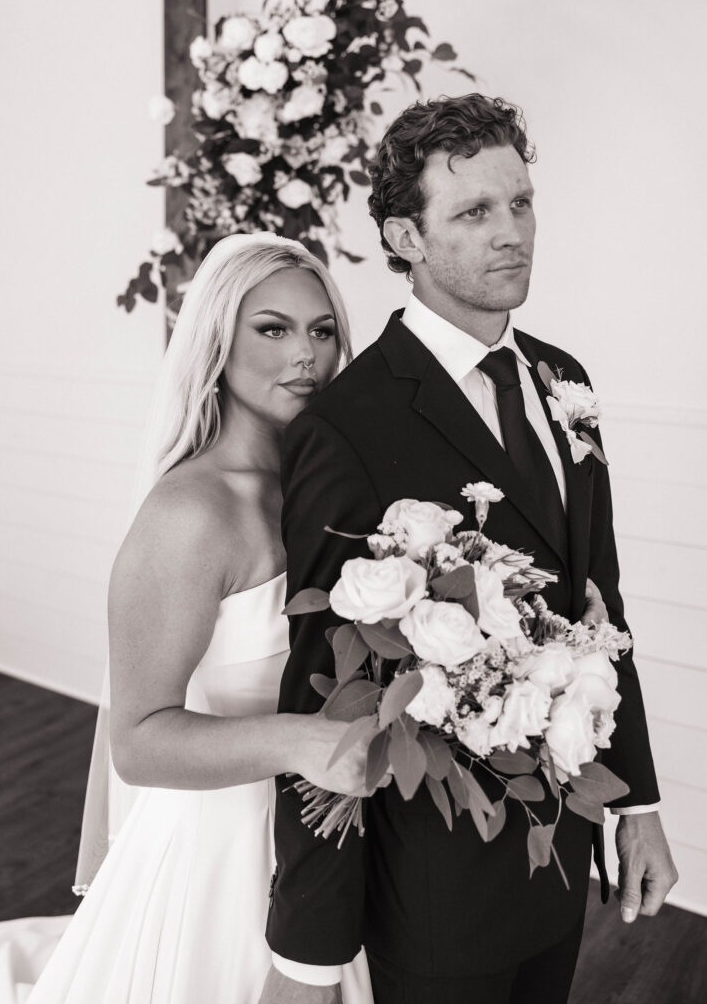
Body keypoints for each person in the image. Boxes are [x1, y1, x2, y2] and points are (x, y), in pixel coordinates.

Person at [261, 96, 678, 1004]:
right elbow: (322, 696)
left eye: (520, 203)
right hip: (433, 880)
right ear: (403, 237)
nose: (512, 233)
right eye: (474, 212)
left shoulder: (566, 382)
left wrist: (636, 805)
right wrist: (310, 956)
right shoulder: (347, 425)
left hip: (562, 849)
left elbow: (600, 605)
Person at [0, 234, 374, 1004]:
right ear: (218, 341)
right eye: (272, 329)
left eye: (322, 330)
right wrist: (304, 743)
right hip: (222, 858)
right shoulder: (190, 513)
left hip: (330, 849)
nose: (305, 353)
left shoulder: (333, 491)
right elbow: (139, 743)